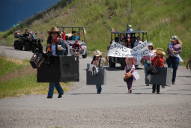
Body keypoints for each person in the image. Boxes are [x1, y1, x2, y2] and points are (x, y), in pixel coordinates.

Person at [46, 27, 68, 98]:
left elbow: (63, 52)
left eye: (55, 33)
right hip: (51, 61)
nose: (53, 34)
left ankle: (50, 95)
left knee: (52, 79)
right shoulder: (50, 42)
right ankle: (61, 91)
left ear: (58, 34)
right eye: (52, 33)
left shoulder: (61, 42)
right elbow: (48, 51)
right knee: (54, 80)